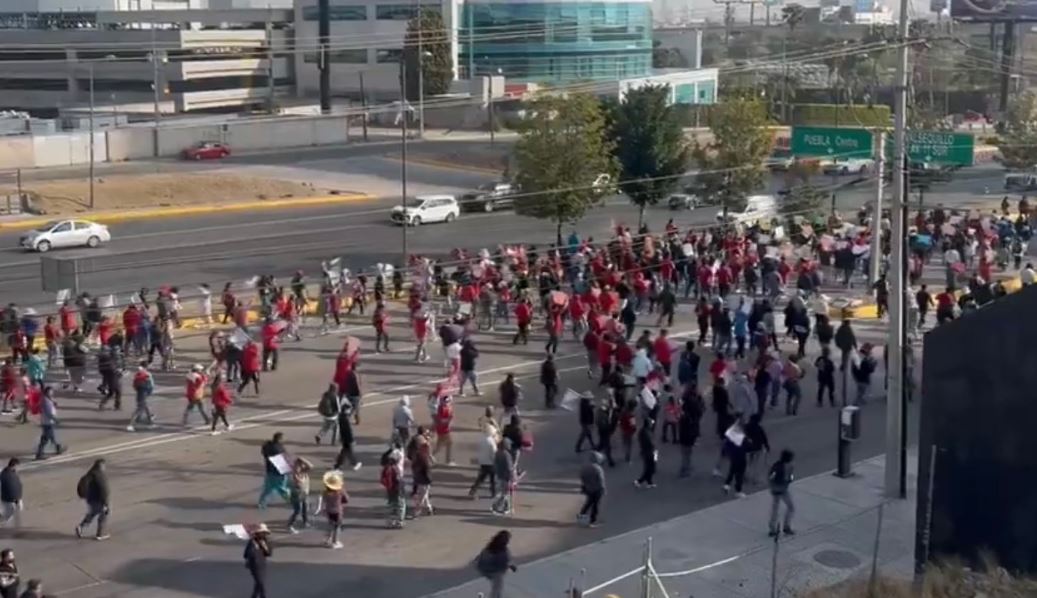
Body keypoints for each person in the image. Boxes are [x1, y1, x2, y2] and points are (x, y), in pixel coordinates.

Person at [474, 530, 517, 598]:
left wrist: (511, 565)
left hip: (494, 570)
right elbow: (484, 562)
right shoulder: (492, 550)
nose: (507, 541)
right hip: (493, 571)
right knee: (497, 587)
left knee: (498, 587)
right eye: (506, 539)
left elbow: (507, 559)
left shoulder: (502, 549)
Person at [75, 459, 110, 540]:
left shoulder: (90, 474)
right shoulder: (99, 475)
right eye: (104, 465)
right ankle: (100, 534)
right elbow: (104, 490)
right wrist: (106, 503)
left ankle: (81, 527)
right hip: (99, 499)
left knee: (93, 513)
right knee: (104, 514)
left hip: (90, 499)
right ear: (101, 465)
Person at [768, 449, 796, 537]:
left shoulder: (776, 465)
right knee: (791, 507)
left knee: (775, 509)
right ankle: (786, 526)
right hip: (783, 489)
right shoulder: (790, 466)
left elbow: (770, 476)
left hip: (775, 489)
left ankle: (772, 529)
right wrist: (789, 480)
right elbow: (790, 477)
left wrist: (772, 485)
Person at [317, 470, 349, 549]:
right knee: (337, 527)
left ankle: (327, 539)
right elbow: (346, 499)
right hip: (337, 511)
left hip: (328, 511)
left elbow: (323, 499)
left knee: (330, 525)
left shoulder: (325, 492)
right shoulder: (340, 491)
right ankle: (335, 542)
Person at [258, 432, 291, 509]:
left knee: (268, 488)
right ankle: (290, 499)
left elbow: (263, 452)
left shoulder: (267, 446)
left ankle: (262, 502)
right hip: (279, 470)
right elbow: (284, 458)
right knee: (282, 487)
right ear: (279, 439)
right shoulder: (279, 448)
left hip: (269, 470)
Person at [677, 389, 702, 478]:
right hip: (690, 430)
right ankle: (685, 469)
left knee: (684, 451)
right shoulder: (694, 405)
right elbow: (700, 412)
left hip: (683, 430)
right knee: (688, 451)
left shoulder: (683, 405)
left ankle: (685, 467)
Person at [34, 387, 64, 460]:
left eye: (52, 392)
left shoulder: (49, 400)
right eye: (50, 392)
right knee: (45, 438)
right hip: (47, 422)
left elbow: (52, 408)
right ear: (46, 392)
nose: (52, 393)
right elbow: (48, 413)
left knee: (51, 436)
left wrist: (54, 404)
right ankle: (39, 454)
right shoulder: (45, 401)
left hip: (48, 422)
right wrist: (55, 419)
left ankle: (58, 448)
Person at [243, 523, 272, 598]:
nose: (263, 535)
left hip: (262, 564)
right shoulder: (252, 542)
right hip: (254, 565)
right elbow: (245, 554)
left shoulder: (266, 542)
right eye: (262, 533)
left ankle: (254, 596)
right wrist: (253, 550)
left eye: (264, 533)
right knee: (260, 582)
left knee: (259, 582)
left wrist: (264, 546)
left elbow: (269, 553)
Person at [578, 452, 606, 527]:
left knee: (589, 502)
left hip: (589, 489)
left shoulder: (585, 467)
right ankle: (593, 521)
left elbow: (582, 477)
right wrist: (603, 489)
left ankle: (582, 516)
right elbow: (601, 480)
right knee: (596, 505)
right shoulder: (598, 468)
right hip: (597, 489)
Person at [469, 428, 498, 499]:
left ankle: (473, 489)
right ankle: (493, 492)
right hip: (490, 463)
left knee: (481, 477)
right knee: (492, 479)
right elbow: (493, 453)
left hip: (483, 462)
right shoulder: (491, 442)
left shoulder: (481, 440)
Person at [286, 457, 312, 534]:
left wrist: (302, 459)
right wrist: (295, 475)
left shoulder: (304, 472)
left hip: (304, 494)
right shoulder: (293, 475)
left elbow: (311, 466)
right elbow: (297, 483)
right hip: (296, 495)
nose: (297, 468)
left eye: (299, 466)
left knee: (305, 508)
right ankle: (289, 525)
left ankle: (305, 522)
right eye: (296, 466)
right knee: (297, 510)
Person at [127, 363, 155, 432]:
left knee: (145, 406)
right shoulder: (147, 375)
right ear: (146, 366)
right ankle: (131, 424)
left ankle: (150, 420)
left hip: (139, 392)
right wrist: (149, 392)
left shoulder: (138, 374)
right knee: (139, 409)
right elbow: (151, 385)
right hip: (144, 392)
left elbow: (134, 385)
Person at [491, 440, 515, 515]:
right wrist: (512, 477)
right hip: (505, 477)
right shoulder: (506, 455)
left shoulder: (497, 453)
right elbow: (509, 467)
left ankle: (506, 507)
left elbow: (494, 464)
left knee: (503, 492)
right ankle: (497, 506)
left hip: (499, 475)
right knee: (505, 493)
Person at [0, 458, 23, 531]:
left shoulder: (11, 473)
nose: (18, 468)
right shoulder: (6, 475)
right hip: (10, 499)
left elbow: (17, 485)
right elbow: (11, 487)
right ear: (14, 465)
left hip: (14, 498)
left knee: (14, 512)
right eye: (18, 466)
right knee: (7, 516)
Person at [634, 421, 658, 488]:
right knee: (650, 468)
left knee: (650, 467)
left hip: (650, 452)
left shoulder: (643, 432)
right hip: (649, 452)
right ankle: (639, 481)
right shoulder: (646, 433)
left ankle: (649, 482)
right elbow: (650, 442)